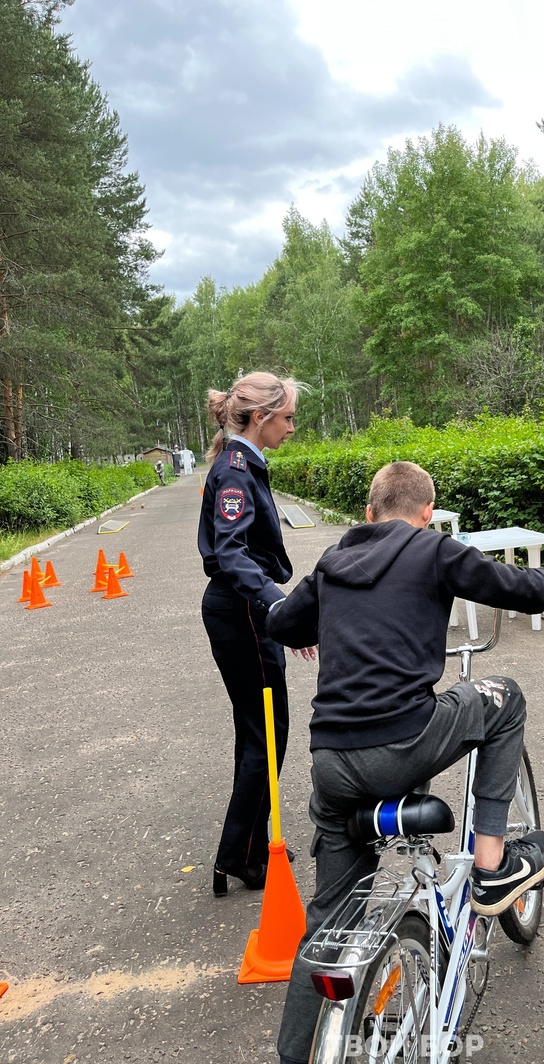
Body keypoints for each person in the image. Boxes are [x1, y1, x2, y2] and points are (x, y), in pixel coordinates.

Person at [265, 460, 544, 1064]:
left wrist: (317, 619)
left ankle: (295, 1055)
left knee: (327, 924)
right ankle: (493, 865)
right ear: (427, 514)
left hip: (332, 763)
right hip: (402, 744)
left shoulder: (332, 561)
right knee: (505, 699)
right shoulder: (433, 549)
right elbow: (517, 586)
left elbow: (281, 623)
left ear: (369, 513)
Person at [197, 371, 310, 898]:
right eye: (287, 417)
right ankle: (240, 855)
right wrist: (279, 605)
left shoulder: (241, 462)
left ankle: (249, 847)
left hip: (242, 607)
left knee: (258, 732)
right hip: (241, 609)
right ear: (261, 417)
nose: (292, 427)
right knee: (267, 733)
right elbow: (232, 553)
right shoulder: (236, 471)